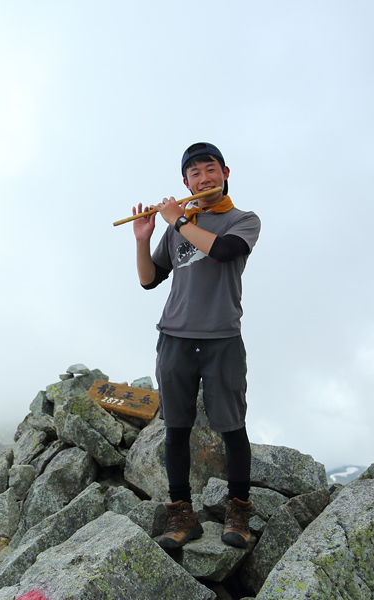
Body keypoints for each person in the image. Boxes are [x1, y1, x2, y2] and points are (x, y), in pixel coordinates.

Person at [131, 142, 261, 549]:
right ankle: (182, 515)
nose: (202, 179)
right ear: (185, 181)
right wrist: (143, 237)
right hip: (175, 337)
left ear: (225, 172)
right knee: (176, 429)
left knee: (232, 427)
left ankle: (238, 511)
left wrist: (178, 220)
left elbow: (223, 252)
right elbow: (150, 280)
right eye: (194, 174)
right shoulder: (178, 225)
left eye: (210, 170)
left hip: (222, 338)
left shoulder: (244, 220)